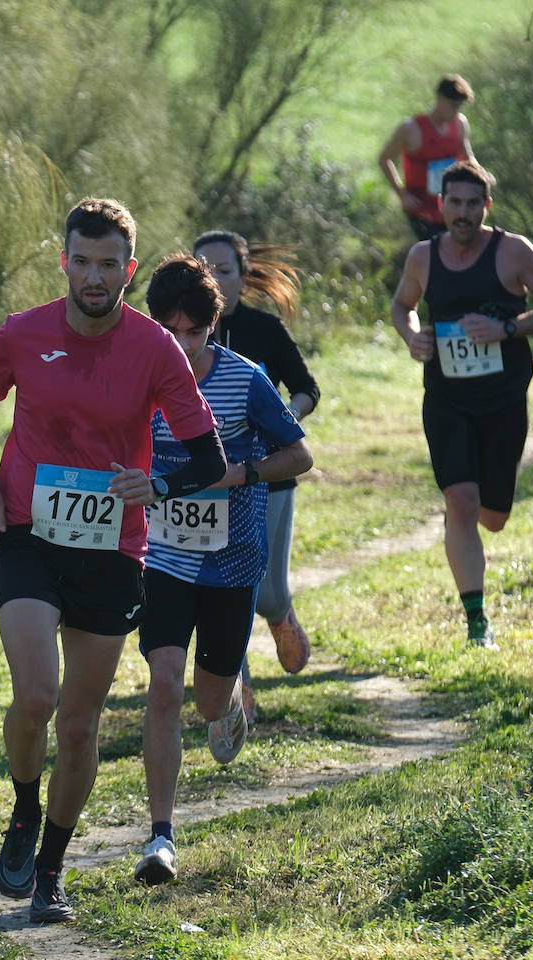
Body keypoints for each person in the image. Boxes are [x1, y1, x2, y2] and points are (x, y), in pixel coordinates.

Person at [0, 198, 227, 923]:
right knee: (36, 697)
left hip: (111, 548)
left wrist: (158, 485)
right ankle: (24, 808)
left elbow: (208, 457)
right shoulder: (24, 333)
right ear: (64, 261)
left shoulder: (155, 349)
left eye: (108, 264)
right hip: (28, 533)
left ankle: (50, 872)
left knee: (79, 725)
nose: (93, 276)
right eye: (82, 261)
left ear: (128, 270)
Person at [132, 253, 312, 886]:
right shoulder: (140, 375)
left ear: (213, 326)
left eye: (194, 332)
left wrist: (242, 473)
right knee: (163, 684)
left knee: (207, 702)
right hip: (163, 559)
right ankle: (160, 837)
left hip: (231, 565)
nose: (181, 345)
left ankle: (228, 696)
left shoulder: (245, 379)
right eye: (169, 331)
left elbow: (299, 455)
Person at [389, 160, 533, 648]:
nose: (463, 213)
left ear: (486, 207)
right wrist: (412, 336)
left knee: (494, 515)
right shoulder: (423, 257)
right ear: (441, 204)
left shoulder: (513, 252)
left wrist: (507, 328)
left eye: (473, 204)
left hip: (503, 400)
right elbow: (402, 305)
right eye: (455, 202)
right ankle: (477, 621)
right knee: (461, 501)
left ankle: (473, 528)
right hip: (446, 399)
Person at [193, 230, 320, 721]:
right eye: (204, 271)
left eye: (224, 271)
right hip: (203, 484)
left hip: (267, 478)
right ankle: (235, 687)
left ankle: (280, 613)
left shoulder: (265, 330)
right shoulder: (178, 335)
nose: (213, 281)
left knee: (264, 592)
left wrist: (283, 418)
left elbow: (306, 388)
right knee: (218, 588)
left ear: (244, 277)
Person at [377, 73, 476, 240]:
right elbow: (384, 160)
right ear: (440, 98)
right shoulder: (411, 129)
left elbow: (469, 160)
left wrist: (483, 176)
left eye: (460, 106)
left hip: (452, 206)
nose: (456, 112)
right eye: (453, 105)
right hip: (422, 211)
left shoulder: (460, 124)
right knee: (437, 251)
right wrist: (402, 195)